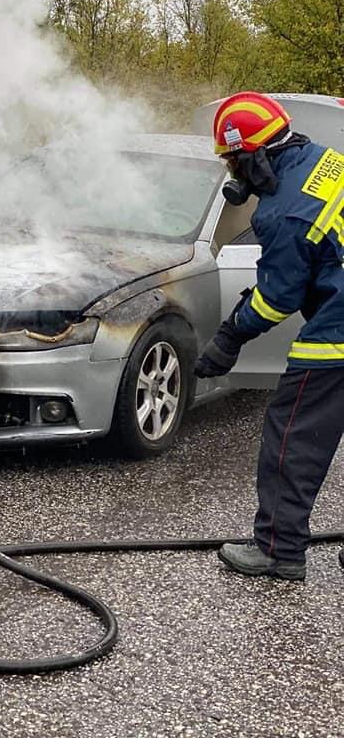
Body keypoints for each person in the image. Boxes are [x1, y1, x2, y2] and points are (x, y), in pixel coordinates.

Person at [194, 91, 344, 580]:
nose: (233, 178)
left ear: (254, 157)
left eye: (234, 164)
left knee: (293, 435)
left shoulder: (284, 213)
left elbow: (275, 298)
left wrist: (229, 337)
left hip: (338, 333)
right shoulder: (328, 161)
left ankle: (278, 549)